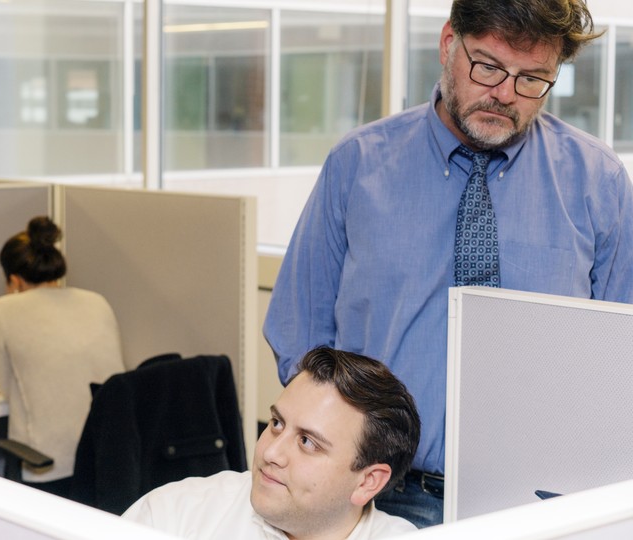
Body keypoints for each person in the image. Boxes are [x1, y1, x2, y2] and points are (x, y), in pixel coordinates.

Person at [263, 0, 633, 528]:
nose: (505, 93)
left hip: (539, 501)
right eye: (487, 66)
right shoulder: (358, 164)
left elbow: (621, 360)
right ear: (447, 43)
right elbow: (300, 331)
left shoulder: (598, 181)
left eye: (532, 79)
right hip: (379, 492)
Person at [123, 347, 420, 540]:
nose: (271, 452)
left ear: (368, 481)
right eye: (277, 424)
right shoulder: (175, 515)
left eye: (307, 442)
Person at [0, 216, 125, 497]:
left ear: (13, 280)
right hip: (108, 456)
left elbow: (3, 385)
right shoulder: (97, 301)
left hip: (48, 465)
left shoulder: (6, 307)